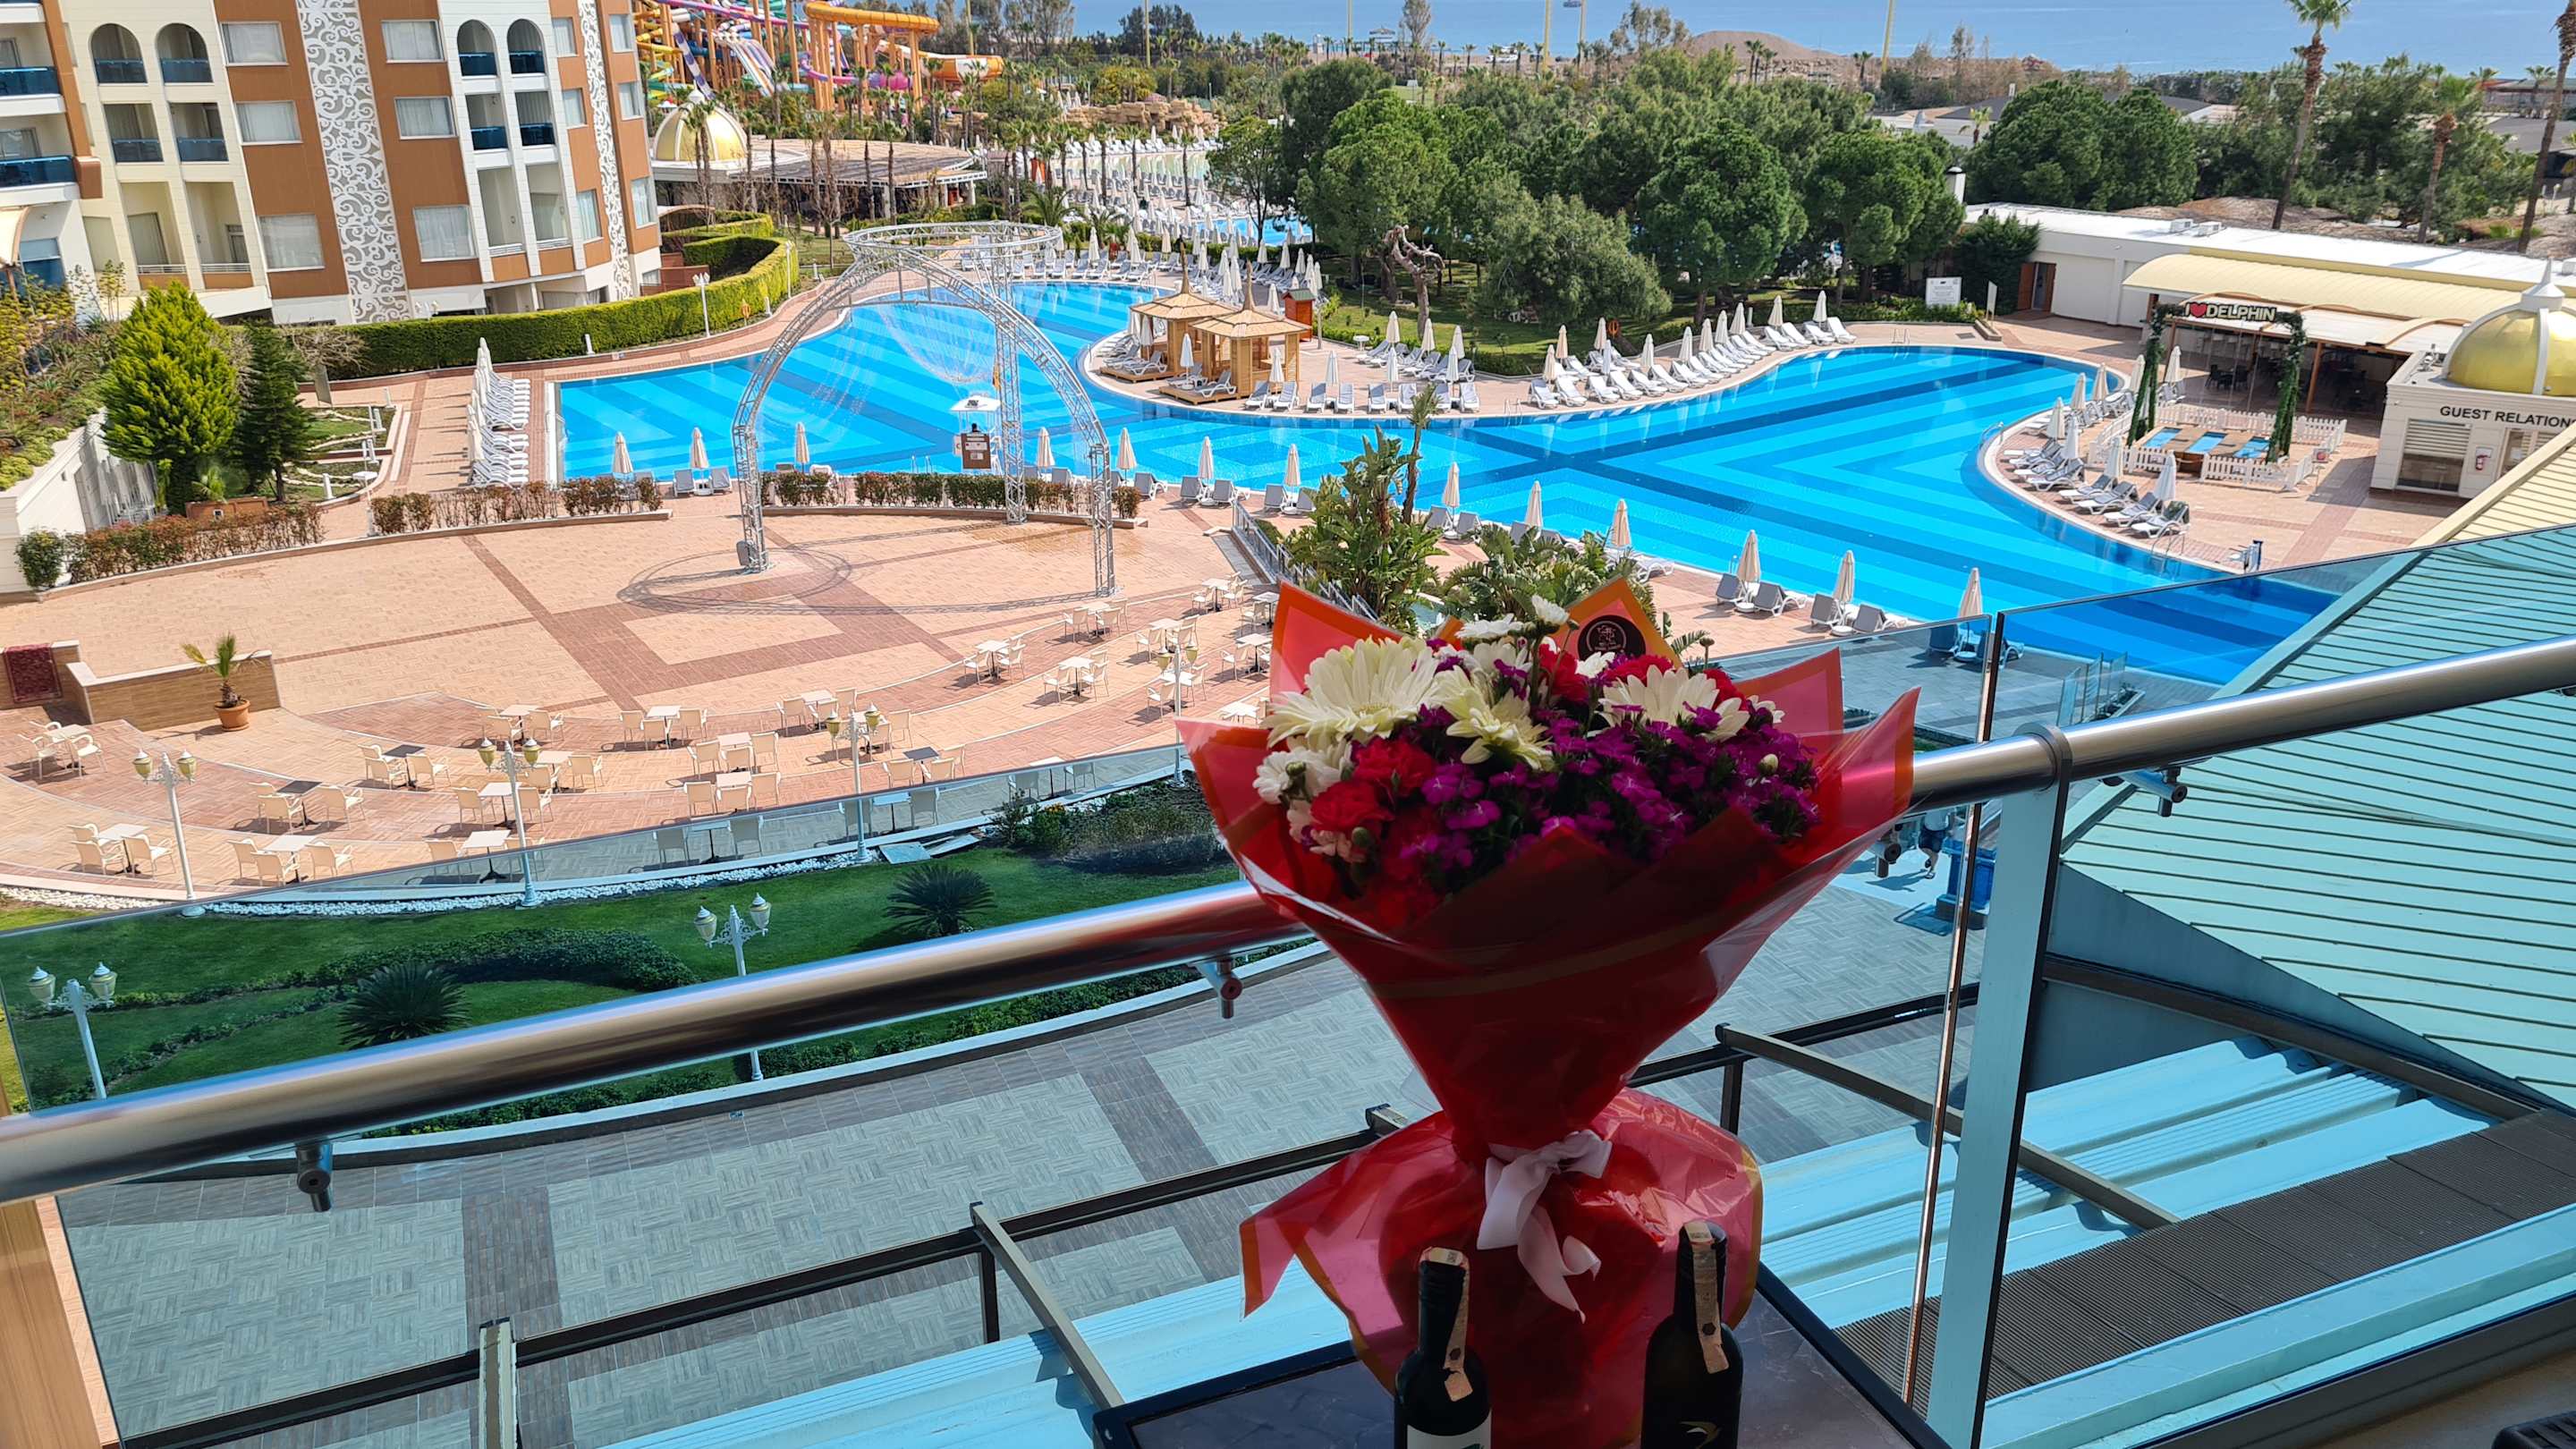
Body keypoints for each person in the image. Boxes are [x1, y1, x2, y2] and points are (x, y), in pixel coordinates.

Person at [1915, 806, 1956, 877]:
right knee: (1922, 846)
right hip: (1926, 827)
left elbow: (1953, 813)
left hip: (1939, 830)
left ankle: (1932, 869)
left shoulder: (1948, 800)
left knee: (1935, 851)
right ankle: (1932, 858)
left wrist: (1951, 828)